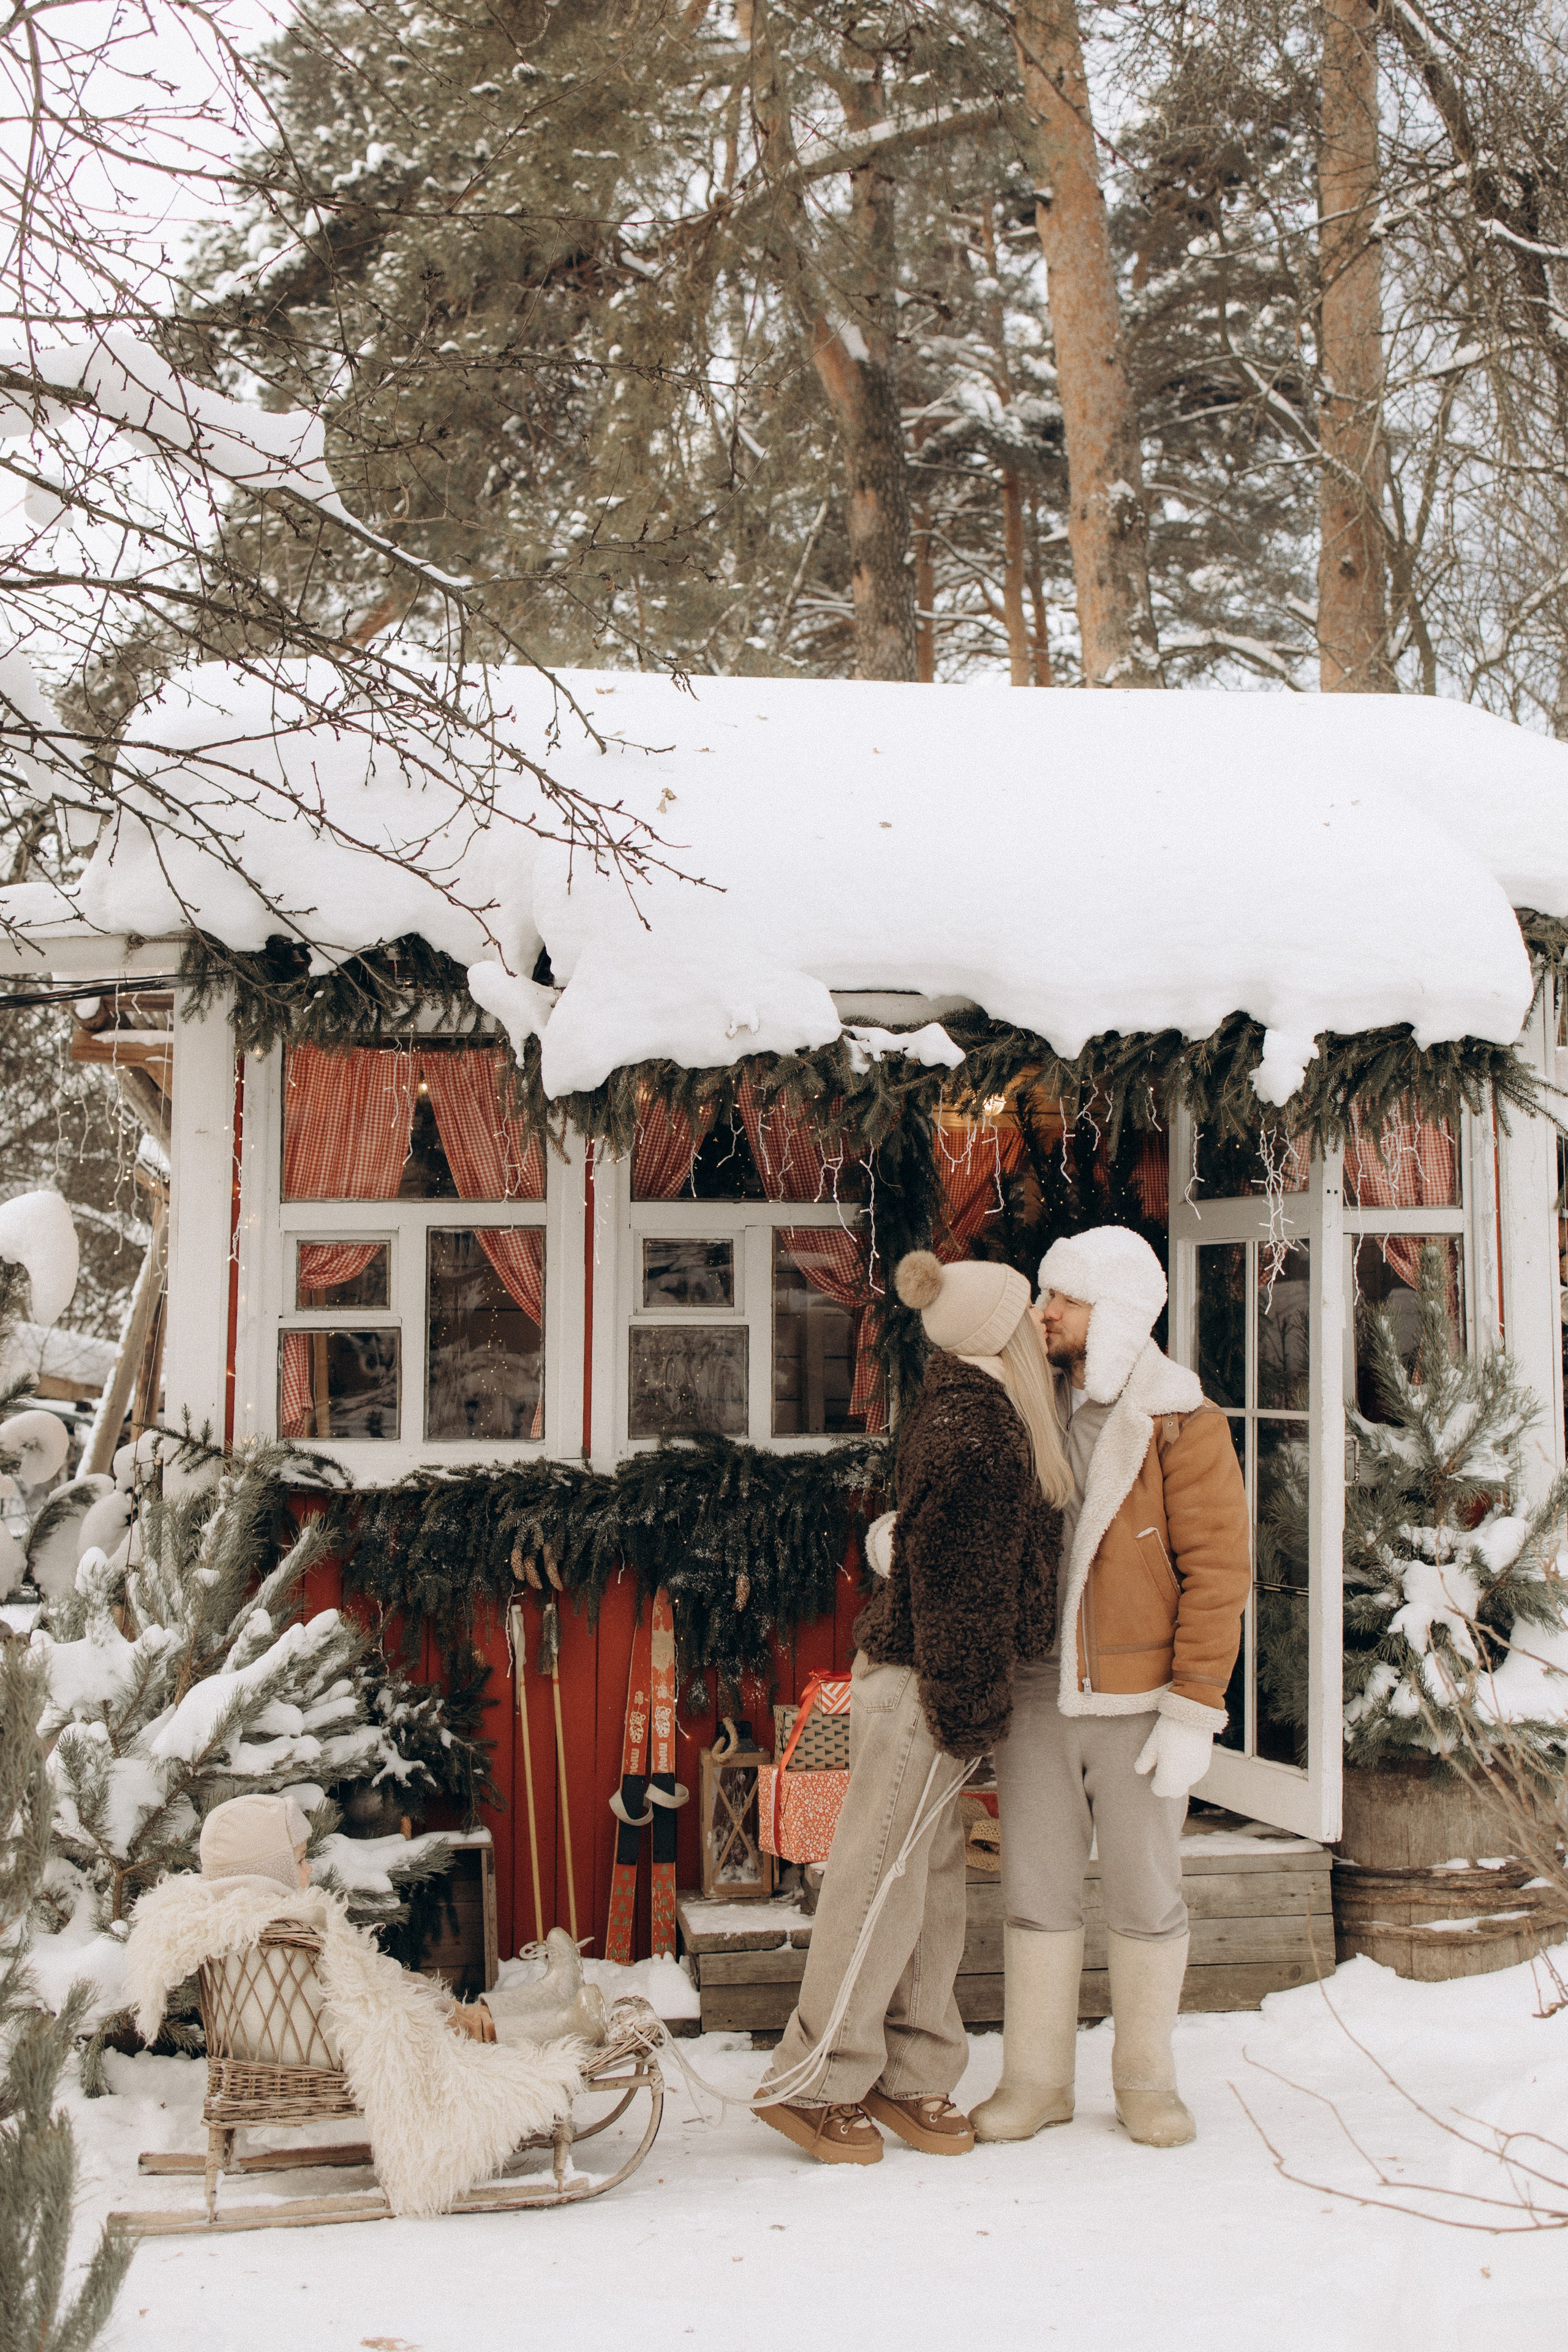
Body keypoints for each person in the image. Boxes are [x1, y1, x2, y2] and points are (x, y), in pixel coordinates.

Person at [756, 1250, 1069, 2167]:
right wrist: (967, 1709)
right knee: (878, 1877)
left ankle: (912, 2066)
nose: (1041, 1324)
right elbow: (961, 1589)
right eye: (1028, 1312)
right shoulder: (978, 1433)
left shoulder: (983, 1412)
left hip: (943, 1679)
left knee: (930, 1880)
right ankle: (815, 2077)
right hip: (931, 1681)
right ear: (997, 1332)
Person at [970, 1226, 1250, 2151]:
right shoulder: (1024, 1403)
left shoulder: (1182, 1419)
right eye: (1045, 1296)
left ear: (1118, 1311)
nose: (1042, 1313)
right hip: (1036, 1698)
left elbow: (1218, 1570)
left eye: (1063, 1299)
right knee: (1037, 1894)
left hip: (1136, 1707)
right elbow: (979, 1509)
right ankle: (1037, 2081)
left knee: (1145, 1895)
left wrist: (1192, 1708)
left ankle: (1146, 2080)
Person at [123, 1793, 593, 2217]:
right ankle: (559, 2022)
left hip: (316, 2039)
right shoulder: (287, 1929)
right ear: (266, 1871)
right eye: (300, 1861)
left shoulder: (239, 1926)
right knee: (455, 2030)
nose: (308, 1873)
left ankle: (548, 1997)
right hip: (332, 2053)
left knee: (445, 2011)